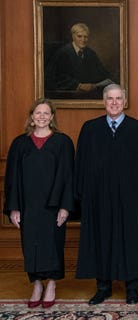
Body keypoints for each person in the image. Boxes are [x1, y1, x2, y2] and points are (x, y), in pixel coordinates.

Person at [75, 84, 138, 305]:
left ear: (125, 102)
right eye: (110, 98)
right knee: (101, 239)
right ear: (103, 101)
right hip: (98, 198)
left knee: (131, 239)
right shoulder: (90, 129)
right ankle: (103, 287)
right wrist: (83, 195)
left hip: (130, 198)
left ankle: (132, 288)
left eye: (118, 98)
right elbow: (80, 165)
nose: (114, 102)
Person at [3, 99, 74, 309]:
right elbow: (12, 178)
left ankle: (51, 284)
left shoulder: (63, 142)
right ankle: (36, 284)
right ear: (31, 116)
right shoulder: (20, 144)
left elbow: (69, 176)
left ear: (52, 117)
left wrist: (65, 206)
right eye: (37, 113)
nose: (41, 117)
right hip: (28, 205)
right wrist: (14, 207)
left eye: (46, 113)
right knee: (30, 245)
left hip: (54, 205)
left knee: (53, 245)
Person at [45, 23, 114, 99]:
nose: (83, 40)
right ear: (73, 36)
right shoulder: (63, 53)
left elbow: (101, 72)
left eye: (86, 37)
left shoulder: (90, 53)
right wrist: (78, 85)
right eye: (79, 36)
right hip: (67, 97)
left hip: (88, 96)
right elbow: (55, 77)